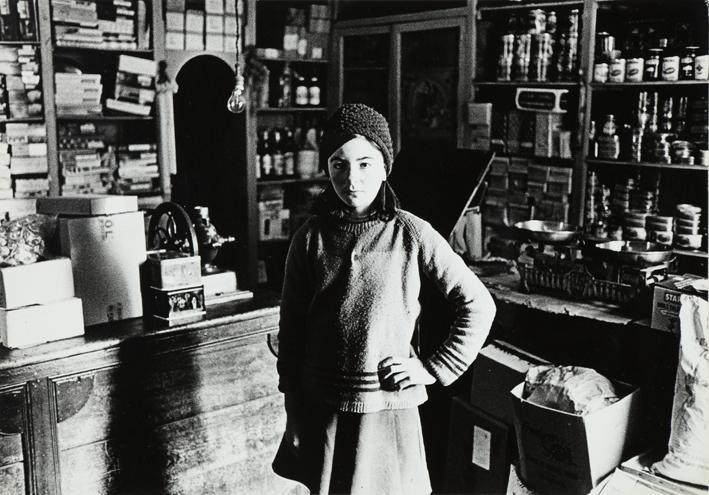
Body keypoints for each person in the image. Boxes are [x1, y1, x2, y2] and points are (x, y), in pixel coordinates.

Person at [272, 103, 496, 495]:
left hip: (388, 408)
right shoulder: (309, 239)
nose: (351, 178)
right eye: (339, 164)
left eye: (365, 163)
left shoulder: (411, 233)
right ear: (327, 169)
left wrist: (433, 369)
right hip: (325, 410)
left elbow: (478, 305)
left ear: (385, 167)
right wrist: (293, 414)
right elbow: (291, 334)